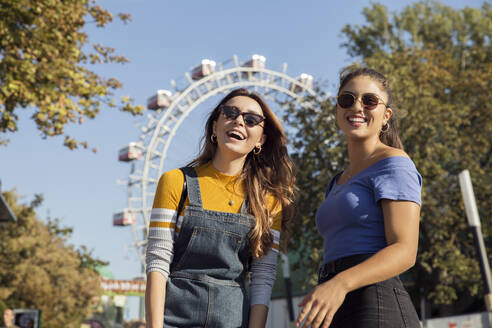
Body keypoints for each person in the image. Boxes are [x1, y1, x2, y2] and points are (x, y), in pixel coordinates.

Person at [145, 88, 296, 328]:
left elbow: (262, 278)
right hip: (173, 320)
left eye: (251, 119)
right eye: (230, 113)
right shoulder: (176, 182)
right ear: (215, 127)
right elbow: (158, 262)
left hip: (234, 321)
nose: (238, 121)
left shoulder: (269, 202)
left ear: (261, 140)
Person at [296, 67, 422, 328]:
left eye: (369, 101)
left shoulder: (393, 163)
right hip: (336, 302)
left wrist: (340, 284)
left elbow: (405, 251)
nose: (357, 107)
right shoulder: (336, 181)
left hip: (375, 303)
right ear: (338, 110)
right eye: (347, 99)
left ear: (385, 115)